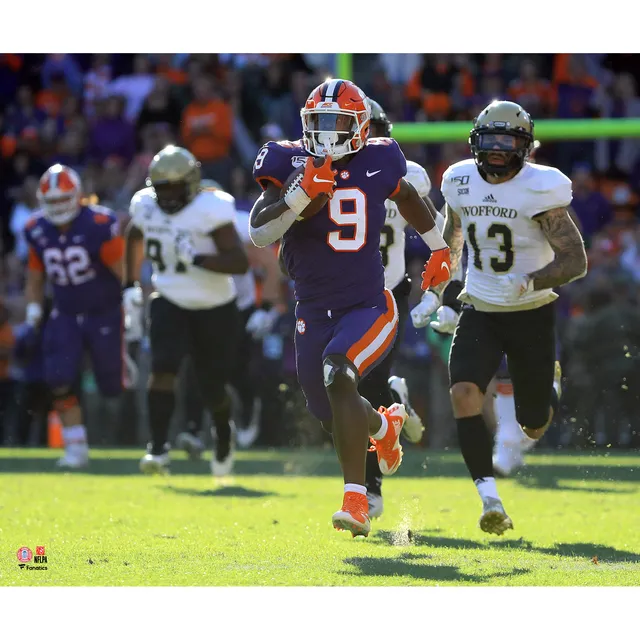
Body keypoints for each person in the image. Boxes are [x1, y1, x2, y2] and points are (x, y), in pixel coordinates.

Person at [249, 78, 451, 537]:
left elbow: (406, 197)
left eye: (336, 123)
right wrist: (298, 194)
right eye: (318, 124)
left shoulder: (380, 158)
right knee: (329, 412)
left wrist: (440, 249)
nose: (327, 133)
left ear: (359, 125)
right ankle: (384, 426)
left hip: (368, 303)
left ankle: (356, 500)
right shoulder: (287, 159)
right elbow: (260, 233)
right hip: (311, 307)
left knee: (340, 373)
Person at [419, 100, 587, 535]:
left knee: (532, 422)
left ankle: (548, 385)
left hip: (531, 311)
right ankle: (489, 498)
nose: (497, 149)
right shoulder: (458, 179)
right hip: (481, 308)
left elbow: (576, 260)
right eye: (490, 139)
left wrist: (531, 280)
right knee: (463, 393)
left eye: (507, 140)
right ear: (476, 141)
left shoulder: (541, 188)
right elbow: (453, 240)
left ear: (525, 146)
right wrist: (443, 296)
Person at [123, 145, 248, 477]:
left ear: (191, 182)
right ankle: (159, 448)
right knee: (162, 369)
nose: (167, 195)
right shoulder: (146, 205)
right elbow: (133, 235)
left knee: (211, 387)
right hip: (169, 297)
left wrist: (197, 258)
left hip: (215, 307)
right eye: (161, 187)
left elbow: (239, 261)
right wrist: (129, 284)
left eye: (174, 187)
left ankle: (223, 431)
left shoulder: (211, 208)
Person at [24, 164, 125, 468]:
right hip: (65, 312)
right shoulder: (36, 229)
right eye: (51, 201)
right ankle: (76, 446)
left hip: (103, 311)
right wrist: (32, 311)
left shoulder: (98, 222)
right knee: (59, 378)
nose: (57, 207)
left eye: (61, 199)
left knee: (112, 385)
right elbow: (35, 275)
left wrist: (132, 300)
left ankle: (125, 438)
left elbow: (122, 269)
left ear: (77, 195)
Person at [359, 98, 427, 519]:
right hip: (337, 296)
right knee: (335, 395)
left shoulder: (407, 174)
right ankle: (396, 397)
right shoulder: (324, 172)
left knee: (366, 388)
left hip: (386, 295)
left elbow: (430, 228)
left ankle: (370, 487)